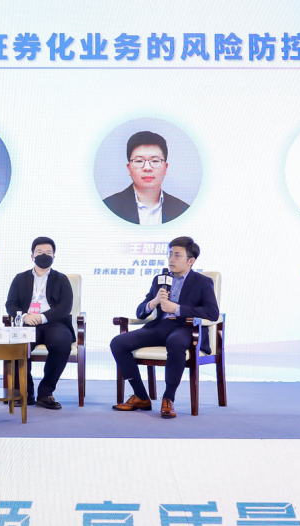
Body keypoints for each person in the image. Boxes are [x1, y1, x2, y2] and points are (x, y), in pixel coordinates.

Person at [110, 236, 218, 418]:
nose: (171, 259)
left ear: (191, 261)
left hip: (185, 328)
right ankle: (141, 396)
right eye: (170, 254)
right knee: (118, 343)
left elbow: (212, 312)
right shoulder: (160, 280)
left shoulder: (202, 282)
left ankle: (168, 398)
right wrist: (154, 302)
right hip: (159, 326)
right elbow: (140, 312)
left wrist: (177, 309)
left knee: (175, 342)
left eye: (177, 255)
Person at [4, 237, 75, 410]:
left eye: (48, 253)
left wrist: (43, 317)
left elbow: (65, 306)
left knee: (62, 342)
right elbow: (11, 304)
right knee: (18, 343)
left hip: (54, 322)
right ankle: (25, 392)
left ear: (54, 257)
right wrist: (25, 316)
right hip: (27, 322)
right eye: (40, 252)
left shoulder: (61, 279)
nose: (44, 255)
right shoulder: (20, 278)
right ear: (32, 256)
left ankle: (45, 393)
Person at [103, 131, 189, 224]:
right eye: (139, 161)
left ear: (165, 168)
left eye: (155, 161)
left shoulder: (183, 211)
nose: (147, 168)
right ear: (129, 168)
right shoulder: (108, 208)